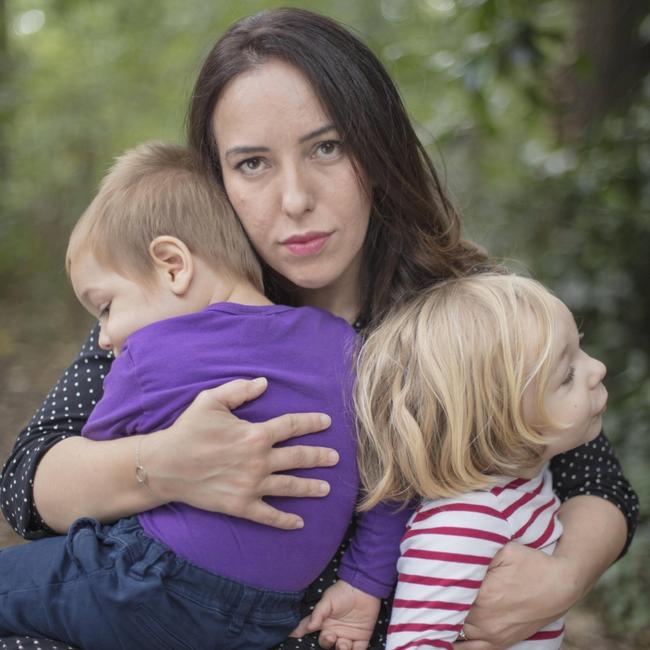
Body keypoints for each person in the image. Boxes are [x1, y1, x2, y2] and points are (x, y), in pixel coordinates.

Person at [0, 8, 637, 650]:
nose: (296, 198)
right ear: (216, 181)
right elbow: (28, 485)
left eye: (326, 148)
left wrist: (562, 577)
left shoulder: (460, 312)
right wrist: (160, 465)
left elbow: (596, 481)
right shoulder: (174, 311)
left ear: (377, 147)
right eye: (253, 164)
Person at [0, 140, 409, 649]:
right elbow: (393, 482)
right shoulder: (348, 347)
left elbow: (95, 452)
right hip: (271, 615)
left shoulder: (147, 352)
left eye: (105, 307)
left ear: (173, 265)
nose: (105, 337)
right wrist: (365, 582)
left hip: (149, 585)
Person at [352, 273, 609, 649]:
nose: (597, 368)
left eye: (579, 348)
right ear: (497, 423)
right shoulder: (463, 525)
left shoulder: (529, 478)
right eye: (567, 374)